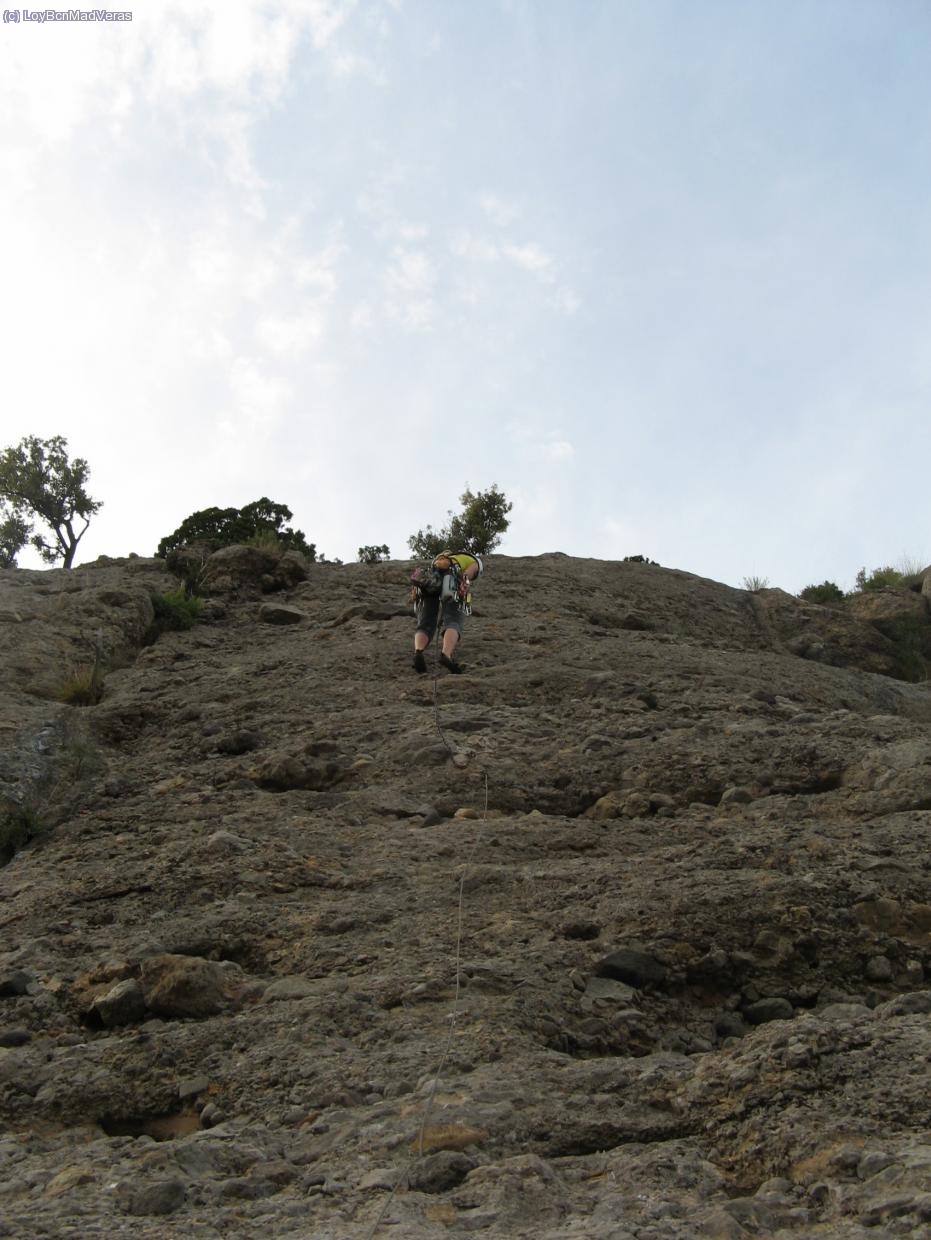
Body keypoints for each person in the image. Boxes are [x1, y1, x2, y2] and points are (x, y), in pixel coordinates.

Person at [413, 551, 483, 674]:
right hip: (451, 581)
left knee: (426, 622)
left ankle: (418, 651)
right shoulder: (474, 562)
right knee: (454, 620)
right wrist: (464, 588)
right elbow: (466, 576)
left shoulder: (439, 560)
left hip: (432, 582)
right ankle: (446, 654)